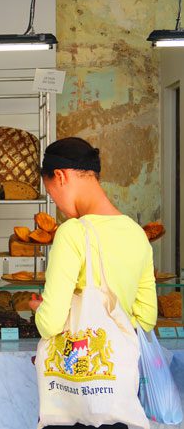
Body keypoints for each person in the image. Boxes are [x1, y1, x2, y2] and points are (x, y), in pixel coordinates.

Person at [29, 137, 157, 429]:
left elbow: (49, 324)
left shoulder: (73, 233)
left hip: (74, 398)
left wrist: (40, 307)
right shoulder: (137, 234)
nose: (57, 206)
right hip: (118, 397)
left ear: (60, 176)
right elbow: (146, 319)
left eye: (52, 194)